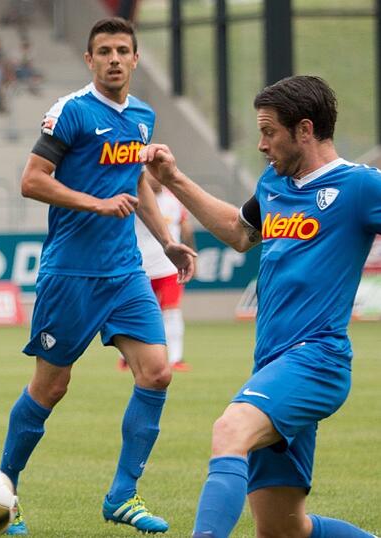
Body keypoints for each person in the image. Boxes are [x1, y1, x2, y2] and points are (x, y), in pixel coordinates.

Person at [141, 76, 381, 538]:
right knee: (282, 529)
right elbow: (237, 231)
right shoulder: (275, 183)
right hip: (271, 363)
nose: (260, 144)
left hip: (317, 359)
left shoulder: (359, 186)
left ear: (305, 130)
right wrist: (173, 179)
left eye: (270, 132)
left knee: (229, 431)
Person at [0, 18, 196, 535]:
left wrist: (166, 239)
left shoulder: (144, 117)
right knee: (51, 386)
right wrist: (94, 202)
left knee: (157, 371)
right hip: (71, 272)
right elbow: (32, 181)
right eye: (103, 50)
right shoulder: (71, 112)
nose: (113, 58)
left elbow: (137, 181)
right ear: (89, 60)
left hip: (126, 271)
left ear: (134, 59)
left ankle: (123, 496)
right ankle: (4, 491)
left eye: (122, 51)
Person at [118, 172, 195, 372]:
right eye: (152, 174)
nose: (157, 178)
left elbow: (185, 228)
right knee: (135, 313)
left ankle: (176, 358)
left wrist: (192, 255)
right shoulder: (134, 199)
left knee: (172, 312)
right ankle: (126, 356)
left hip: (169, 267)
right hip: (140, 267)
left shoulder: (173, 200)